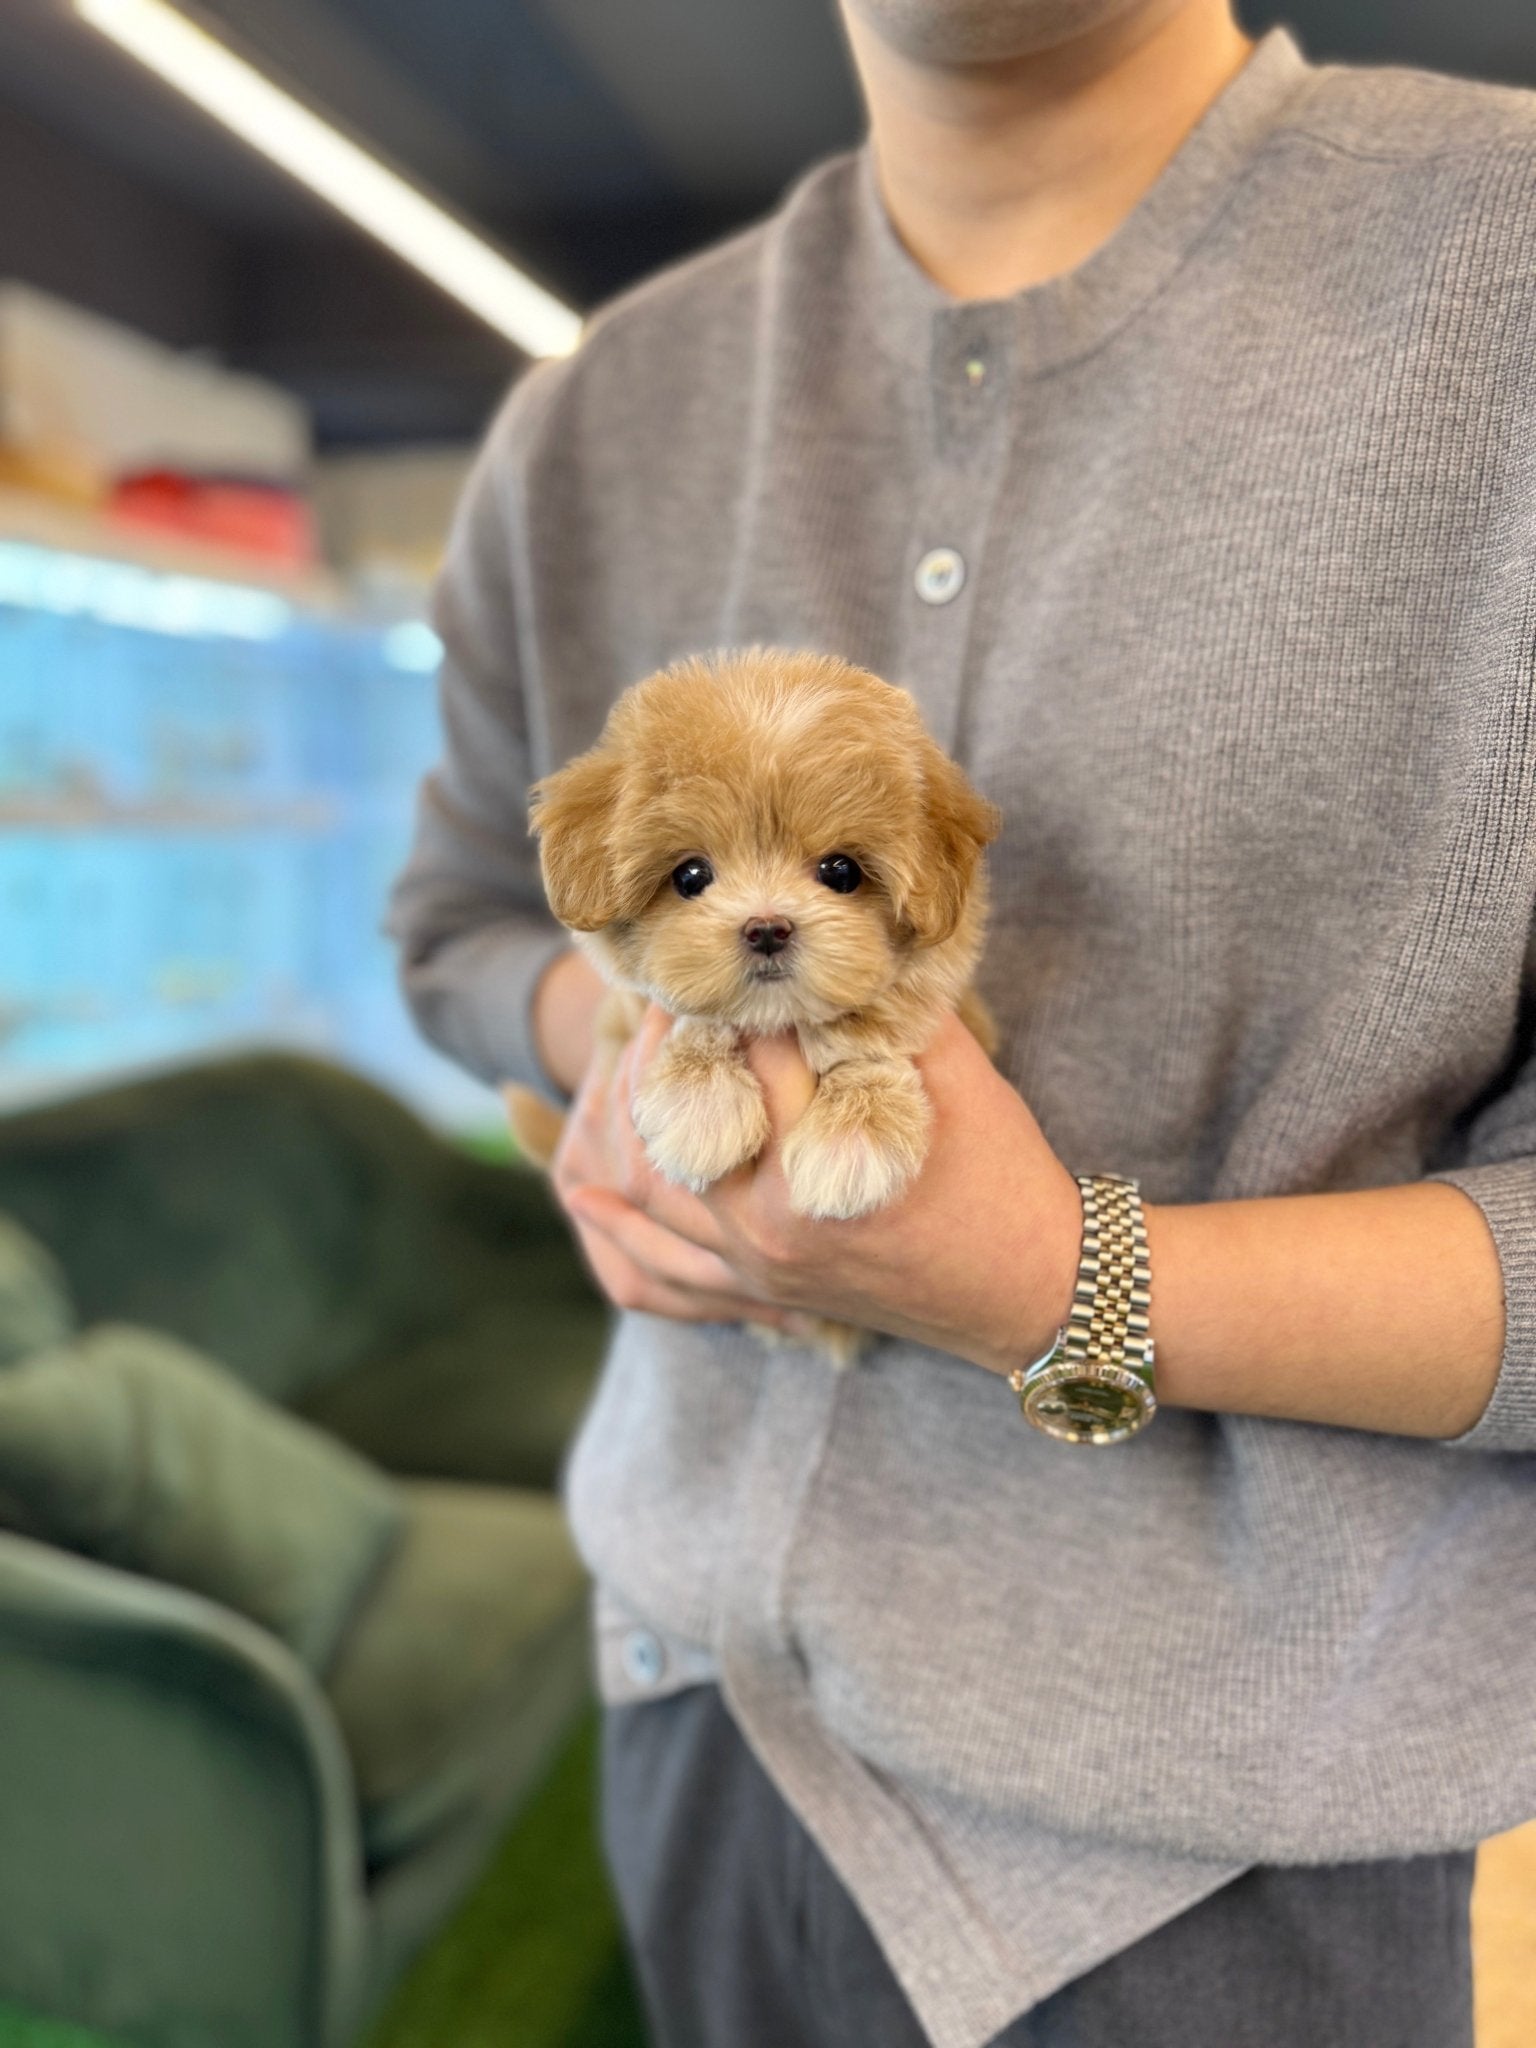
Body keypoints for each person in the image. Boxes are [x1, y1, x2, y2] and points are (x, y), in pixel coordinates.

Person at [387, 2, 1536, 2041]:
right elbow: (459, 914)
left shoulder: (1497, 277)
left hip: (1228, 1840)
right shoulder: (596, 415)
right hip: (694, 1702)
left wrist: (1068, 1282)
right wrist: (619, 1043)